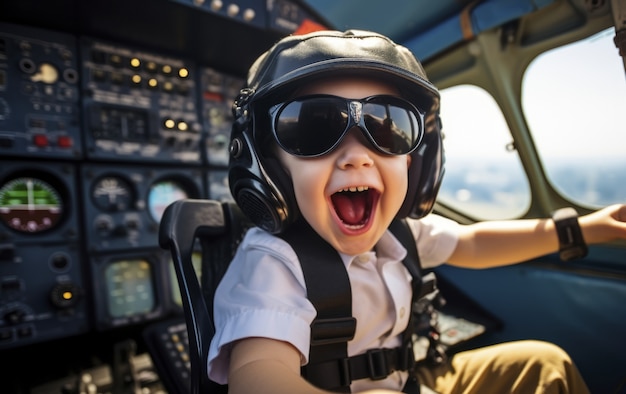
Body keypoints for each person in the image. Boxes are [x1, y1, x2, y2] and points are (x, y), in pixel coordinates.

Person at [206, 29, 626, 394]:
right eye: (314, 126)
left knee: (543, 365)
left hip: (415, 378)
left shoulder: (400, 234)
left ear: (414, 162)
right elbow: (256, 378)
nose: (357, 157)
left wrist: (582, 229)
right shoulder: (272, 263)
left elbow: (473, 243)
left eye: (388, 127)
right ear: (269, 164)